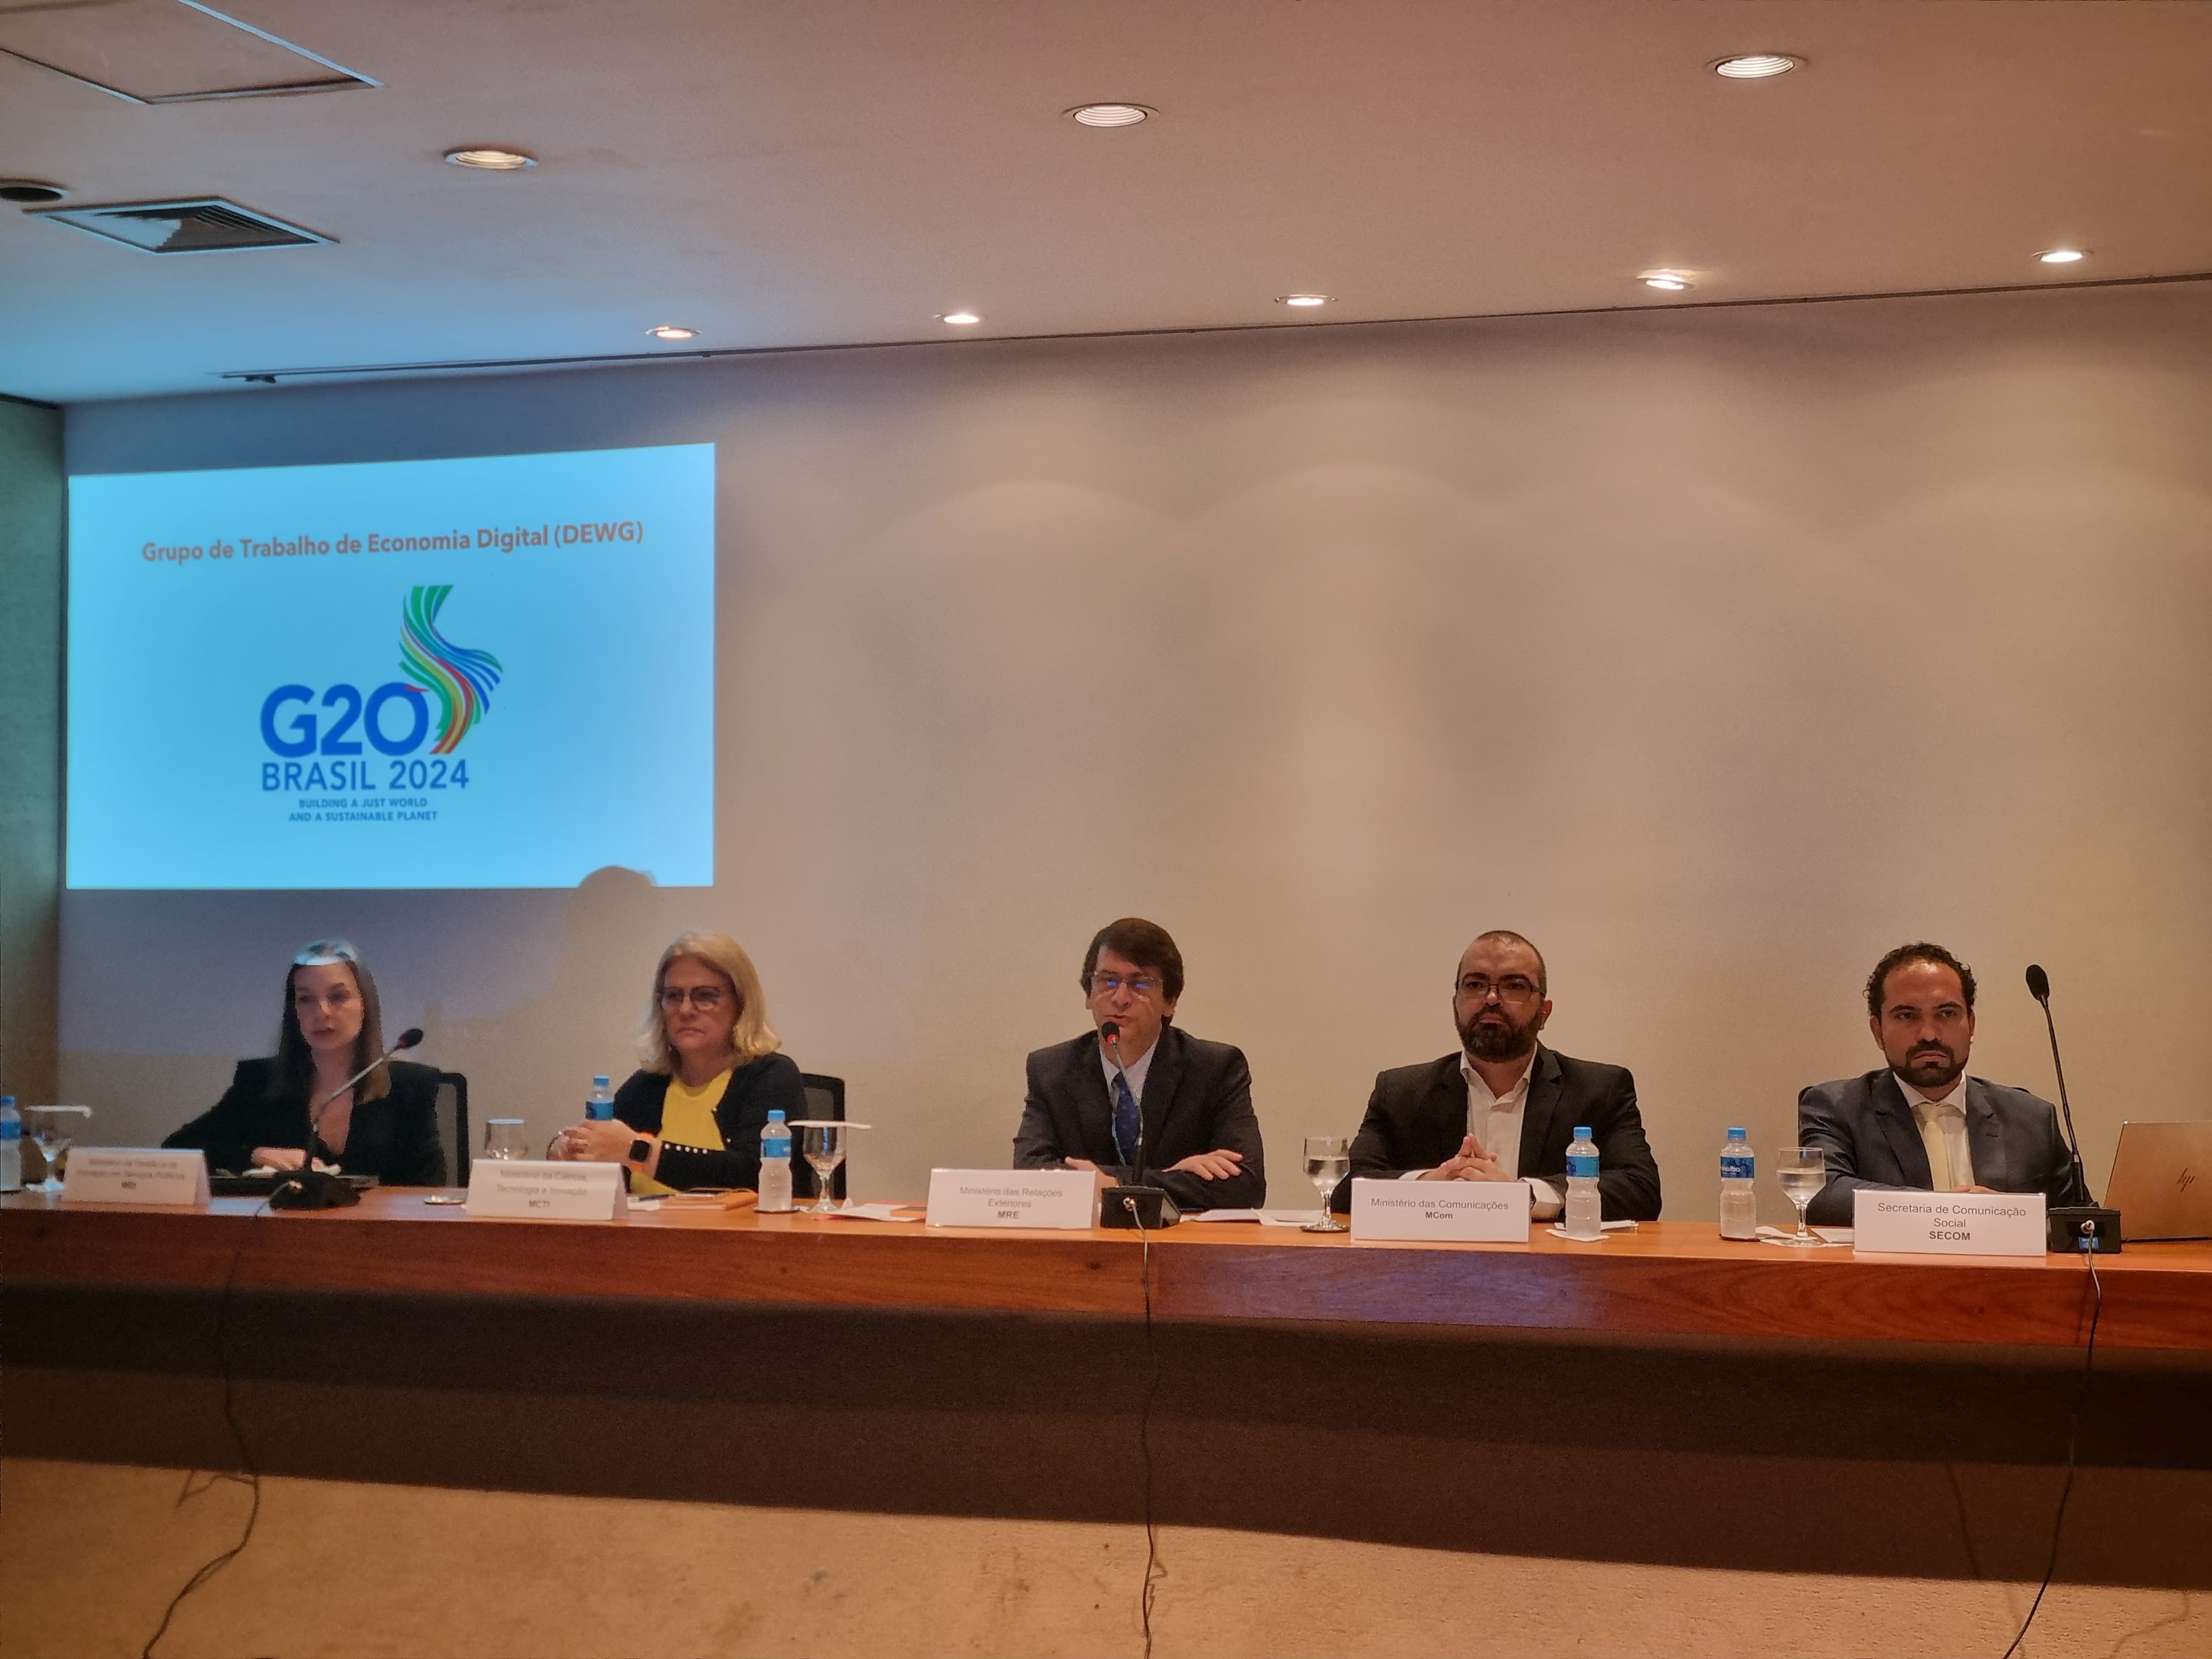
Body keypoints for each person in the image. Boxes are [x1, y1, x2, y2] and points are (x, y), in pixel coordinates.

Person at [1342, 930, 1661, 1220]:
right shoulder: (1401, 1092)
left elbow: (1641, 1190)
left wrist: (1524, 1196)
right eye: (1475, 985)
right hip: (1433, 1264)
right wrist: (1429, 1185)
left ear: (1544, 1012)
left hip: (1550, 1265)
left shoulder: (1600, 1090)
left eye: (1514, 986)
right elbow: (1346, 1187)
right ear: (1456, 1005)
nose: (1492, 998)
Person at [1798, 942, 2087, 1228]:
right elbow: (1821, 1196)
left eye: (1947, 1013)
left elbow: (2082, 1226)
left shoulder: (2031, 1117)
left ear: (1971, 1024)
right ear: (1878, 1031)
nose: (1929, 1034)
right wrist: (1946, 1209)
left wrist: (2013, 1216)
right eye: (1906, 1016)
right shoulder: (1836, 1107)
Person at [1013, 917, 1266, 1211]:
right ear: (1089, 994)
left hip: (1178, 1240)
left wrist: (1114, 1184)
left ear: (1170, 1002)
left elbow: (1247, 1186)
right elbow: (1032, 1175)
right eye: (1107, 981)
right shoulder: (1052, 1070)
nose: (1120, 998)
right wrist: (1168, 1179)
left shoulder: (1214, 1069)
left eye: (1140, 984)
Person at [551, 930, 812, 1196]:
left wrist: (639, 1151)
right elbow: (604, 1151)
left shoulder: (771, 1076)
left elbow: (754, 1174)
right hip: (649, 1224)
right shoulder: (648, 1085)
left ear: (741, 1004)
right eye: (674, 996)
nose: (686, 1010)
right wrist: (565, 1148)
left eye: (705, 996)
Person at [164, 940, 445, 1184]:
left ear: (365, 1005)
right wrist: (255, 1154)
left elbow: (430, 1188)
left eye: (337, 997)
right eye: (306, 999)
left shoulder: (411, 1087)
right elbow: (177, 1150)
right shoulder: (259, 1081)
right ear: (294, 1011)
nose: (322, 1012)